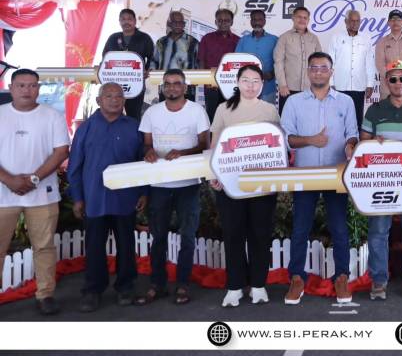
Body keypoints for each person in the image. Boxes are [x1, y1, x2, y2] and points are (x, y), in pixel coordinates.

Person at [281, 52, 359, 305]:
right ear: (307, 72)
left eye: (323, 68)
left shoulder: (346, 101)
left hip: (336, 175)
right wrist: (311, 140)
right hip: (305, 174)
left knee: (339, 228)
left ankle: (342, 276)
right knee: (300, 228)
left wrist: (350, 145)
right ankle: (296, 278)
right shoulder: (293, 102)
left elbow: (353, 133)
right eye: (314, 68)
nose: (318, 72)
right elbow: (286, 139)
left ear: (331, 72)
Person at [67, 83, 146, 312]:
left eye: (118, 96)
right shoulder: (86, 128)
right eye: (108, 96)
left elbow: (144, 162)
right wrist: (78, 198)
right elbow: (74, 167)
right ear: (99, 100)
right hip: (94, 199)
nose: (114, 100)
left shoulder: (134, 127)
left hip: (125, 199)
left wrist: (144, 192)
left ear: (124, 100)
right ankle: (93, 290)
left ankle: (126, 287)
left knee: (126, 246)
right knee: (94, 248)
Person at [135, 69, 210, 306]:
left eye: (177, 83)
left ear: (185, 87)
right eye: (167, 83)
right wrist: (148, 151)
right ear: (162, 87)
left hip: (188, 183)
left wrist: (183, 153)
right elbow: (146, 143)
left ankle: (183, 285)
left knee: (187, 236)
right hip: (159, 183)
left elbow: (204, 144)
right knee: (158, 237)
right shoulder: (152, 112)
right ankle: (157, 285)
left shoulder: (197, 111)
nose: (171, 87)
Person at [209, 65, 281, 307]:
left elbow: (277, 146)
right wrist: (213, 174)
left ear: (262, 84)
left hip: (262, 184)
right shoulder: (223, 109)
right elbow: (214, 144)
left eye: (256, 81)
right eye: (246, 80)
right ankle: (235, 286)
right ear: (237, 83)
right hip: (230, 183)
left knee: (260, 233)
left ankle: (258, 285)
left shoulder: (270, 110)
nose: (251, 86)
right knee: (233, 234)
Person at [0, 69, 69, 315]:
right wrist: (8, 179)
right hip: (2, 195)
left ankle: (45, 295)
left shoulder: (52, 116)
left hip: (42, 193)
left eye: (32, 86)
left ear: (38, 89)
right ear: (11, 88)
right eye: (21, 85)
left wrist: (34, 178)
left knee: (44, 247)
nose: (27, 90)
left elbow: (61, 152)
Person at [361, 60, 402, 301]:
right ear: (386, 82)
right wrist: (372, 143)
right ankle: (379, 280)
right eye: (393, 79)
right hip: (382, 183)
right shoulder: (375, 110)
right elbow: (363, 144)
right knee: (378, 232)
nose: (398, 83)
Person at [101, 8, 155, 120]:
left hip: (135, 84)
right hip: (115, 85)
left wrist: (147, 70)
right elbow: (105, 58)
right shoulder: (113, 38)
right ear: (119, 21)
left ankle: (133, 132)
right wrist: (102, 72)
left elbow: (153, 57)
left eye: (129, 19)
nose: (126, 22)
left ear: (135, 21)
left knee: (134, 117)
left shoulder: (144, 38)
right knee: (113, 115)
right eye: (123, 19)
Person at [328, 10, 375, 131]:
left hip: (359, 86)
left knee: (357, 118)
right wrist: (331, 83)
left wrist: (370, 84)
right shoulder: (336, 38)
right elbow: (330, 62)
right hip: (340, 86)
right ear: (346, 21)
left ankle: (355, 142)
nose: (355, 23)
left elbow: (369, 62)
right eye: (352, 21)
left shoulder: (366, 38)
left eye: (357, 21)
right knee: (338, 118)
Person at [274, 6, 322, 115]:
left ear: (308, 20)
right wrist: (282, 84)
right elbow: (278, 62)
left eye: (305, 18)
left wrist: (318, 85)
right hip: (288, 89)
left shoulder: (314, 39)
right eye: (299, 17)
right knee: (287, 120)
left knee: (309, 119)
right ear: (293, 18)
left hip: (310, 89)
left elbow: (319, 63)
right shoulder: (284, 38)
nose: (302, 20)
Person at [198, 8, 239, 122]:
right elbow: (201, 61)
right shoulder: (207, 39)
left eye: (226, 20)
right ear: (215, 22)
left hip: (231, 84)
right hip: (212, 84)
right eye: (220, 20)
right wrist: (205, 80)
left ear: (232, 22)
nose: (223, 23)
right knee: (212, 116)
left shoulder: (238, 41)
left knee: (230, 117)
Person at [150, 11, 199, 101]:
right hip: (165, 89)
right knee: (164, 110)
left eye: (180, 22)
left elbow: (199, 63)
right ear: (169, 24)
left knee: (187, 111)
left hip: (187, 90)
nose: (177, 25)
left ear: (184, 24)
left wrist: (197, 78)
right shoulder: (161, 42)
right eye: (174, 22)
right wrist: (151, 72)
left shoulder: (193, 42)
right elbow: (153, 62)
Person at [235, 9, 279, 104]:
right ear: (250, 21)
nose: (257, 22)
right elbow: (237, 62)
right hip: (247, 89)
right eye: (254, 20)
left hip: (268, 88)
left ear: (264, 21)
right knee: (248, 113)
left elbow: (280, 61)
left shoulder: (274, 40)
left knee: (267, 113)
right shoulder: (243, 40)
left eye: (260, 19)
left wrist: (273, 73)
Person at [374, 10, 402, 99]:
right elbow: (380, 64)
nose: (395, 22)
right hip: (387, 89)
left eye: (398, 20)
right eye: (392, 19)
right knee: (386, 109)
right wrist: (392, 80)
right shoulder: (381, 42)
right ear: (388, 22)